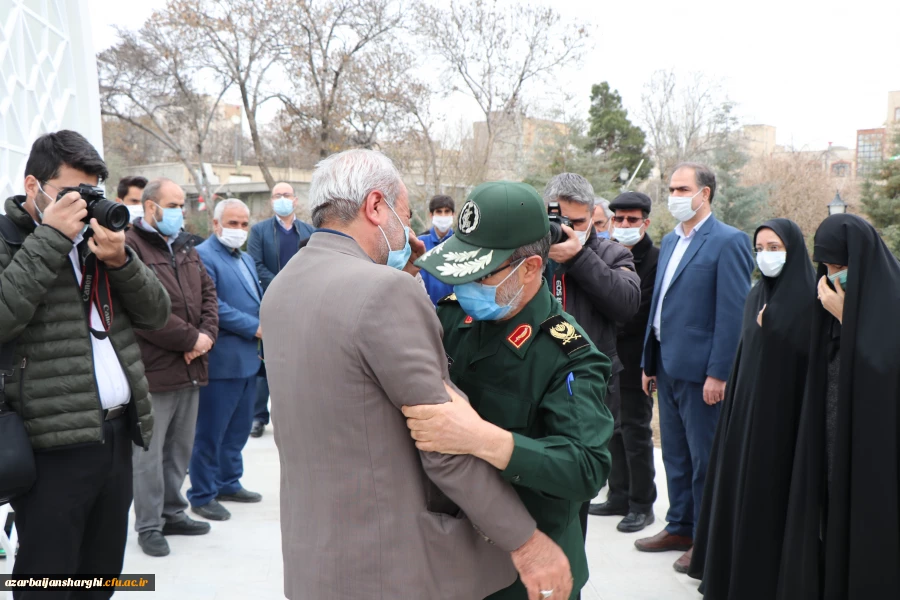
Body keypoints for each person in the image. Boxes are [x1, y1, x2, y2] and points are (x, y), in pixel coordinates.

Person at [260, 149, 573, 600]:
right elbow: (443, 445)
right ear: (374, 207)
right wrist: (526, 543)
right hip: (389, 567)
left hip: (315, 557)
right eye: (404, 219)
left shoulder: (284, 284)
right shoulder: (385, 292)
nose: (413, 237)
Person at [405, 181, 615, 600]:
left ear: (531, 268)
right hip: (450, 555)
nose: (465, 288)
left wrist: (485, 440)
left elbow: (586, 468)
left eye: (480, 275)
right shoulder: (453, 321)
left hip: (528, 571)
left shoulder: (568, 354)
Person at [1, 130, 170, 595]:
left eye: (90, 193)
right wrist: (51, 237)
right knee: (50, 582)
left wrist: (121, 262)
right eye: (71, 194)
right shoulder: (8, 238)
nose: (82, 206)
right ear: (32, 185)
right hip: (50, 445)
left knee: (100, 577)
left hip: (115, 436)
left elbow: (157, 313)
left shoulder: (100, 243)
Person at [687, 219, 816, 597]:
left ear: (793, 250)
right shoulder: (756, 294)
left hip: (783, 421)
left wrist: (776, 330)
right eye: (760, 248)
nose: (766, 255)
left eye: (775, 247)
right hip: (746, 415)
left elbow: (805, 361)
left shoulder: (809, 298)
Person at [637, 163, 754, 573]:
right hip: (666, 366)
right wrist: (648, 361)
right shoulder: (670, 240)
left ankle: (706, 540)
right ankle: (680, 526)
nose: (674, 195)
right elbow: (659, 305)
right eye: (671, 188)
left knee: (705, 461)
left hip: (702, 374)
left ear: (704, 193)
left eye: (682, 188)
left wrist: (719, 373)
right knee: (675, 457)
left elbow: (732, 314)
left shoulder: (728, 242)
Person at [776, 214, 900, 600]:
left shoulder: (890, 295)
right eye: (826, 266)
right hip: (832, 425)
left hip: (873, 436)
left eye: (841, 266)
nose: (832, 274)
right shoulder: (827, 294)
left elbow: (886, 364)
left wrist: (848, 318)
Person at [540, 174, 640, 542]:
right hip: (535, 387)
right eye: (559, 220)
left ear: (592, 216)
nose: (566, 230)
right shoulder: (531, 250)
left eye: (577, 223)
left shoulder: (612, 253)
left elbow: (626, 303)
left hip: (587, 397)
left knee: (573, 509)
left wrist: (579, 257)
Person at [125, 178, 220, 557]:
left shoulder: (185, 245)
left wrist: (206, 335)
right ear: (151, 208)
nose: (182, 210)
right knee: (149, 456)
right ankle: (149, 525)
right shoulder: (130, 246)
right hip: (155, 369)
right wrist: (189, 340)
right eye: (175, 204)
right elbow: (141, 310)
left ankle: (173, 510)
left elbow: (209, 293)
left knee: (179, 449)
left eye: (183, 204)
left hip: (191, 366)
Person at [590, 192, 660, 533]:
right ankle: (618, 494)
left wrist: (607, 314)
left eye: (632, 220)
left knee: (635, 432)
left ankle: (642, 504)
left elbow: (636, 311)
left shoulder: (655, 260)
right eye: (619, 219)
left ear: (645, 222)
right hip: (606, 357)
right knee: (612, 430)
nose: (624, 225)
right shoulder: (605, 253)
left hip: (635, 361)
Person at [190, 198, 263, 521]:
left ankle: (228, 482)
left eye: (244, 224)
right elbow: (213, 306)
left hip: (248, 359)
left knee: (238, 429)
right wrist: (256, 327)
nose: (239, 230)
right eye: (232, 224)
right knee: (210, 432)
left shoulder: (244, 258)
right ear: (216, 224)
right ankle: (202, 493)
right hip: (220, 361)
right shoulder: (203, 257)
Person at [247, 183, 315, 438]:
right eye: (277, 195)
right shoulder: (260, 231)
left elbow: (316, 261)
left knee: (300, 360)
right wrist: (282, 283)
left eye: (286, 195)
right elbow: (255, 263)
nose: (282, 199)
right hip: (270, 302)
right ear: (271, 200)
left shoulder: (309, 231)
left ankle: (299, 416)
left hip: (303, 302)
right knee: (266, 362)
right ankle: (258, 417)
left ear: (295, 200)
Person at [418, 194, 456, 304]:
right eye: (439, 211)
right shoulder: (420, 243)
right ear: (431, 215)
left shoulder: (460, 244)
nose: (443, 215)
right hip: (425, 308)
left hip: (453, 309)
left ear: (453, 214)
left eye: (447, 211)